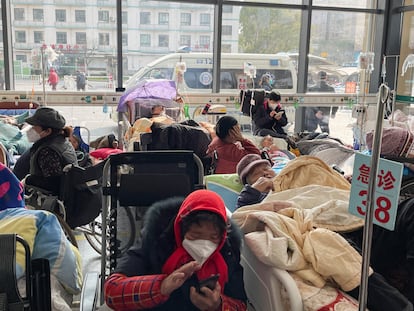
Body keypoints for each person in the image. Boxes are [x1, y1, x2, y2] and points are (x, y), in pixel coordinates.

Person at [235, 154, 414, 309]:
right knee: (334, 250)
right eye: (256, 173)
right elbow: (240, 218)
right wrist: (252, 192)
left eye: (266, 167)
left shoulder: (291, 172)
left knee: (411, 209)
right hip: (323, 228)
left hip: (355, 216)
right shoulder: (257, 198)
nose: (265, 172)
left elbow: (325, 180)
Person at [104, 189, 248, 310]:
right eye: (196, 235)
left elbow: (240, 305)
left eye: (213, 237)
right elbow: (112, 291)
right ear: (180, 228)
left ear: (223, 236)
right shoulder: (155, 242)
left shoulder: (228, 253)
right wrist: (161, 287)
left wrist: (218, 305)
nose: (204, 244)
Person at [23, 107, 78, 194]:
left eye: (34, 127)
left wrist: (28, 180)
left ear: (47, 131)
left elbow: (53, 184)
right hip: (69, 195)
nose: (30, 130)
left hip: (50, 201)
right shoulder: (64, 142)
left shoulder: (48, 151)